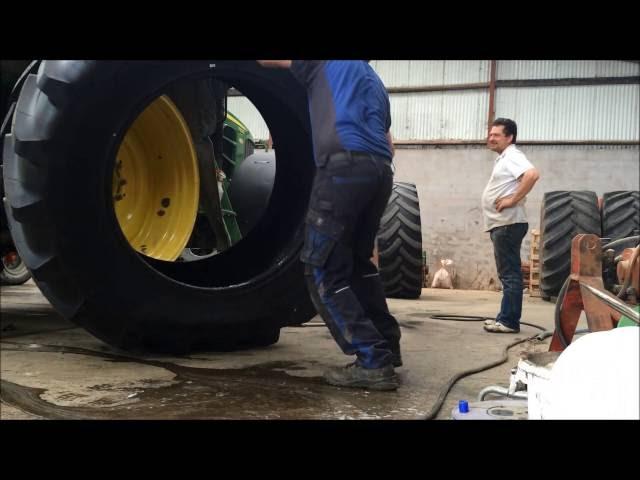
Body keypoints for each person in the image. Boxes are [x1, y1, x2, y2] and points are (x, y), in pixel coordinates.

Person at [257, 60, 401, 390]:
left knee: (321, 267)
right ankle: (388, 349)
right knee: (358, 266)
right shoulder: (374, 81)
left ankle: (372, 360)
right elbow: (390, 144)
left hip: (342, 170)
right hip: (380, 171)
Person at [481, 118, 540, 333]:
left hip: (507, 224)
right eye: (490, 134)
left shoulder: (513, 155)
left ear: (510, 137)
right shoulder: (505, 158)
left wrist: (512, 200)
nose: (491, 138)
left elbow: (532, 175)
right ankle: (504, 317)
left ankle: (508, 321)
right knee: (509, 273)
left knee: (510, 275)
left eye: (496, 135)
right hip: (503, 224)